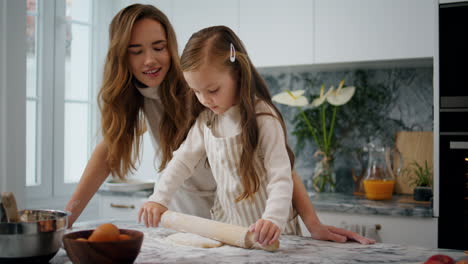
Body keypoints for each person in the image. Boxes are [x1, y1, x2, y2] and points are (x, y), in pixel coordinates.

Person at [65, 3, 375, 245]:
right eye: (136, 51)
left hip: (252, 224)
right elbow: (163, 159)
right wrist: (64, 222)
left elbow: (279, 168)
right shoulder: (191, 96)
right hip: (194, 225)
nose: (150, 60)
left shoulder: (204, 85)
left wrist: (311, 222)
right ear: (122, 56)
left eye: (159, 47)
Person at [139, 25, 302, 246]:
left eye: (213, 90)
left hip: (271, 235)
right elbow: (181, 161)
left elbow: (280, 175)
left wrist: (273, 218)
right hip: (230, 231)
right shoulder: (206, 120)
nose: (205, 100)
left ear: (237, 74)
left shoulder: (263, 117)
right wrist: (159, 199)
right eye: (196, 92)